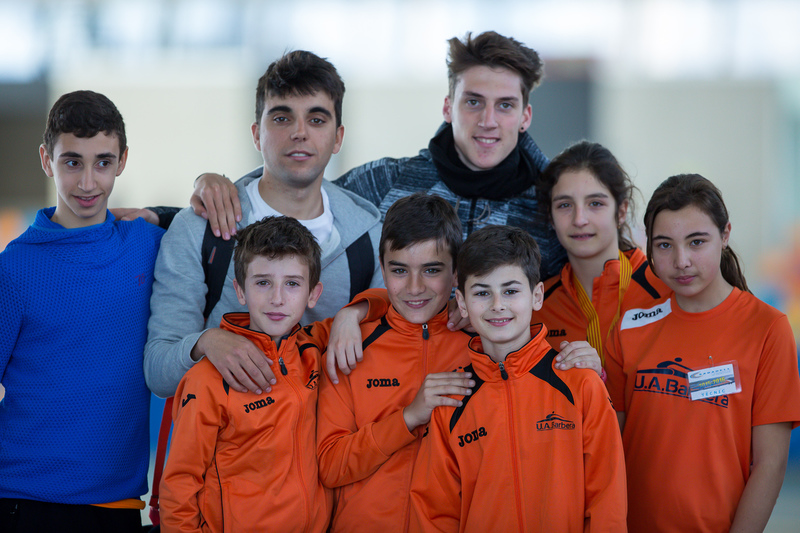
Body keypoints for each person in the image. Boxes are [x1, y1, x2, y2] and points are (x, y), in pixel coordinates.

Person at [317, 194, 605, 532]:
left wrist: (590, 369)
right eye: (399, 270)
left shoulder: (485, 342)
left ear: (456, 274)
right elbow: (330, 466)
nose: (415, 287)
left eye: (432, 270)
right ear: (383, 269)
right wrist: (408, 418)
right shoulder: (350, 346)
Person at [192, 30, 567, 282]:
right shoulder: (386, 182)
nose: (487, 121)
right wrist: (217, 190)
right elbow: (296, 192)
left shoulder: (553, 206)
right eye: (473, 102)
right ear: (447, 107)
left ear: (525, 117)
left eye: (505, 105)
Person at [143, 50, 383, 399]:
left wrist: (355, 312)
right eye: (282, 118)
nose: (299, 132)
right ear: (256, 134)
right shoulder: (199, 229)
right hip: (225, 433)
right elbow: (158, 371)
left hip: (329, 434)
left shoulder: (369, 240)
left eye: (317, 119)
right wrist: (207, 343)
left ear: (338, 138)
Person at [0, 91, 164, 532]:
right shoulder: (13, 268)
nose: (88, 182)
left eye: (103, 163)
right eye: (72, 162)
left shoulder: (149, 247)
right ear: (46, 160)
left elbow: (225, 235)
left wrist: (174, 205)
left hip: (119, 506)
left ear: (122, 160)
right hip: (23, 502)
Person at [605, 174, 800, 532]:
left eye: (697, 242)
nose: (681, 260)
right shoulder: (631, 325)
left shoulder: (767, 329)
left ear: (725, 236)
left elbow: (770, 465)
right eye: (664, 245)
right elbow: (608, 447)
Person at [409, 225, 627, 532]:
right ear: (462, 302)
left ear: (537, 296)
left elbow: (607, 500)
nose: (497, 304)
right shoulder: (452, 401)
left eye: (510, 291)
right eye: (482, 293)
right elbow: (433, 513)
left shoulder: (580, 385)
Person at [160, 216, 338, 532]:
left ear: (313, 293)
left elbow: (390, 307)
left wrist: (353, 314)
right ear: (240, 291)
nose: (277, 298)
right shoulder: (208, 380)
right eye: (262, 282)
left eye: (292, 283)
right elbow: (179, 485)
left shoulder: (316, 349)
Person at [535, 141, 668, 367]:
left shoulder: (666, 289)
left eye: (595, 203)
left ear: (621, 211)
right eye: (565, 205)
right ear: (551, 216)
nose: (579, 219)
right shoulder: (537, 307)